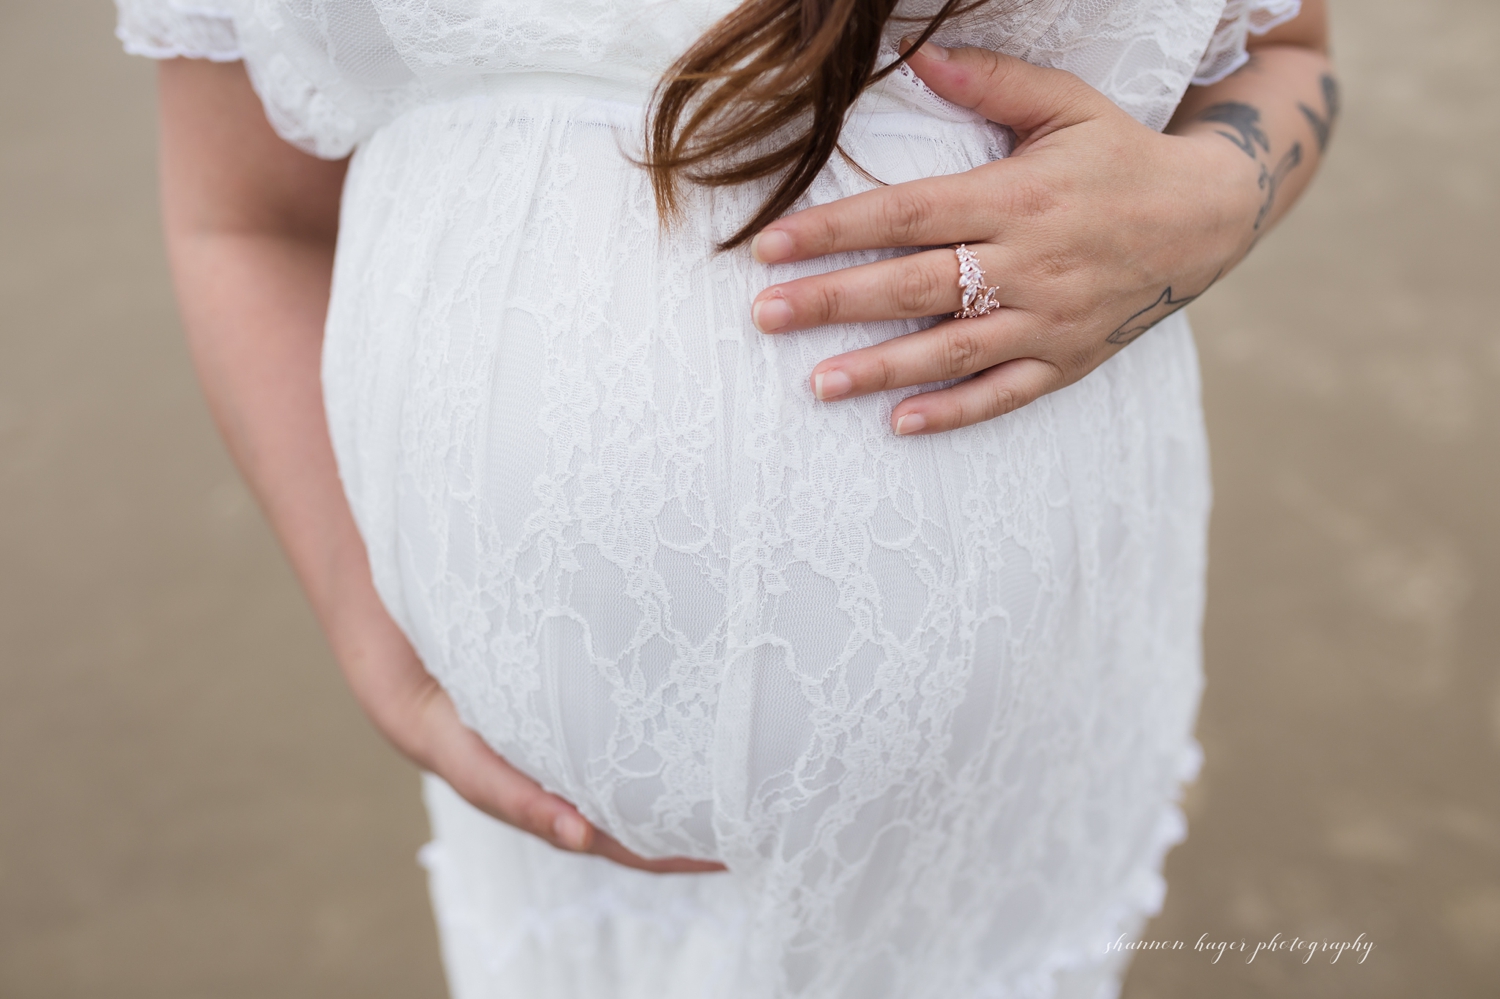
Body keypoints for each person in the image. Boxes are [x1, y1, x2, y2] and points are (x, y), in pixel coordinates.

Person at [116, 0, 1335, 994]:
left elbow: (1286, 51)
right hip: (549, 858)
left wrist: (1210, 199)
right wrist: (365, 623)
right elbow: (245, 215)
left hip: (993, 817)